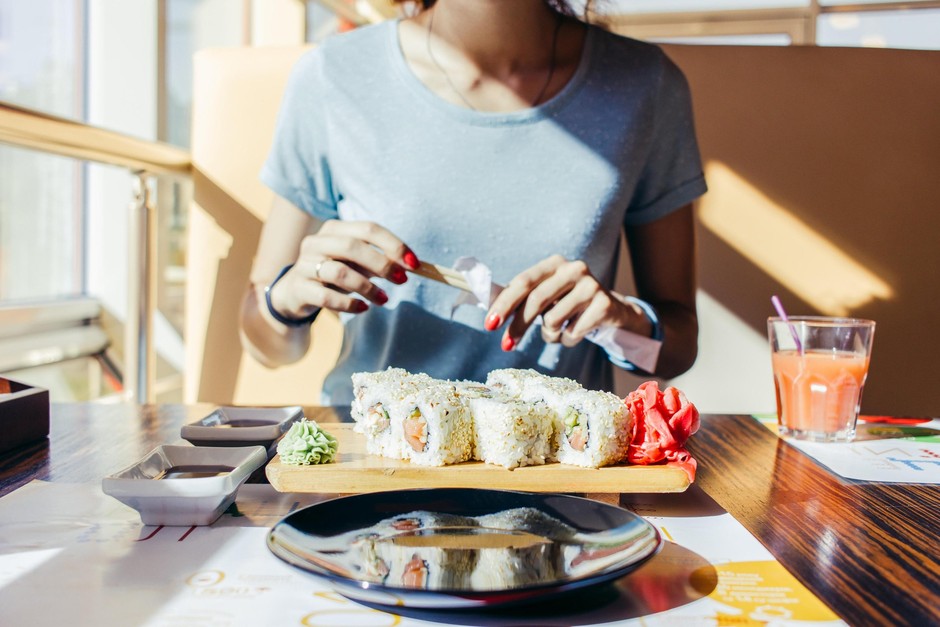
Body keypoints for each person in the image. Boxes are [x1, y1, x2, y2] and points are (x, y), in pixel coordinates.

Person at [240, 0, 707, 406]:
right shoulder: (332, 75)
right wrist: (286, 301)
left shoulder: (647, 86)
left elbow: (677, 350)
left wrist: (621, 322)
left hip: (561, 474)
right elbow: (266, 344)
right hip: (374, 470)